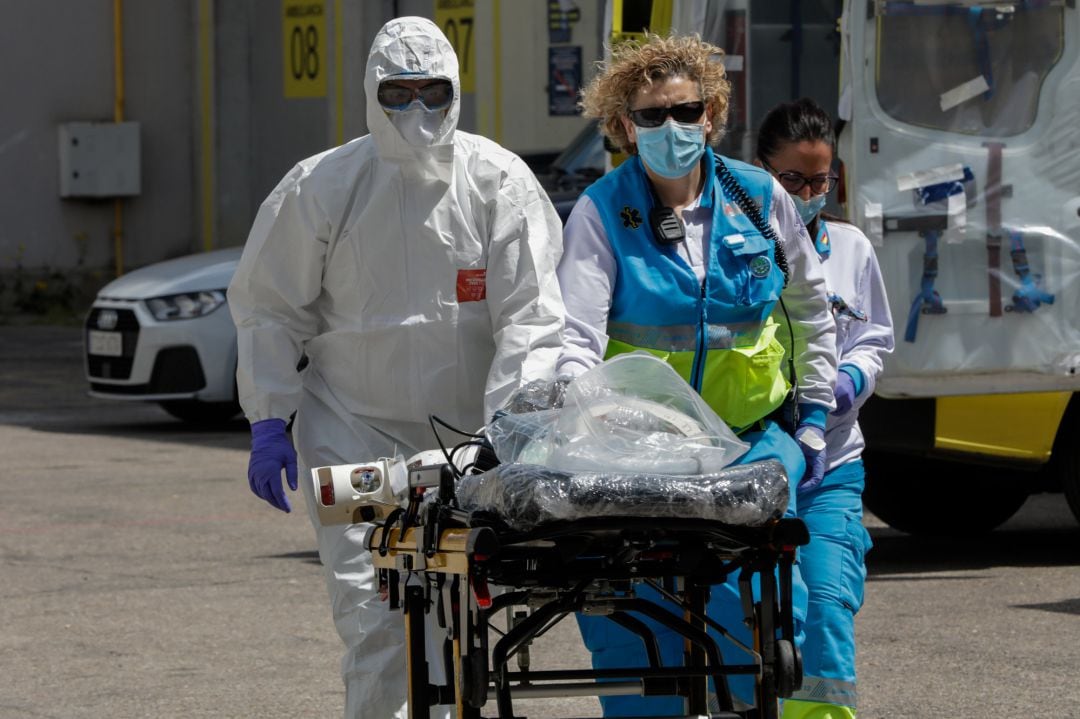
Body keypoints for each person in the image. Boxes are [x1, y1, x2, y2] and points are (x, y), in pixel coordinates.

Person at [227, 16, 566, 719]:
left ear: (457, 91)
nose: (417, 111)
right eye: (398, 94)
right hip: (351, 432)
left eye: (433, 93)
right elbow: (269, 307)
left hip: (469, 443)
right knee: (377, 621)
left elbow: (531, 321)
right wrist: (270, 417)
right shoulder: (322, 186)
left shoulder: (497, 182)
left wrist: (508, 434)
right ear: (371, 94)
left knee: (461, 626)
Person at [555, 33, 838, 716]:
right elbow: (575, 335)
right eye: (651, 116)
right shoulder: (601, 213)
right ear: (623, 126)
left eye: (685, 112)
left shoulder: (760, 198)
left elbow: (812, 312)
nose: (671, 128)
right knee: (635, 631)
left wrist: (814, 424)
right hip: (640, 456)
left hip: (750, 446)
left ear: (712, 113)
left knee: (765, 630)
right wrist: (574, 413)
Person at [756, 98, 895, 719]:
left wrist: (845, 381)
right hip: (751, 463)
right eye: (793, 180)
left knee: (825, 606)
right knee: (748, 609)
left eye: (821, 179)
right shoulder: (734, 246)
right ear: (760, 171)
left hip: (831, 467)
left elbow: (873, 338)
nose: (809, 193)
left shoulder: (851, 247)